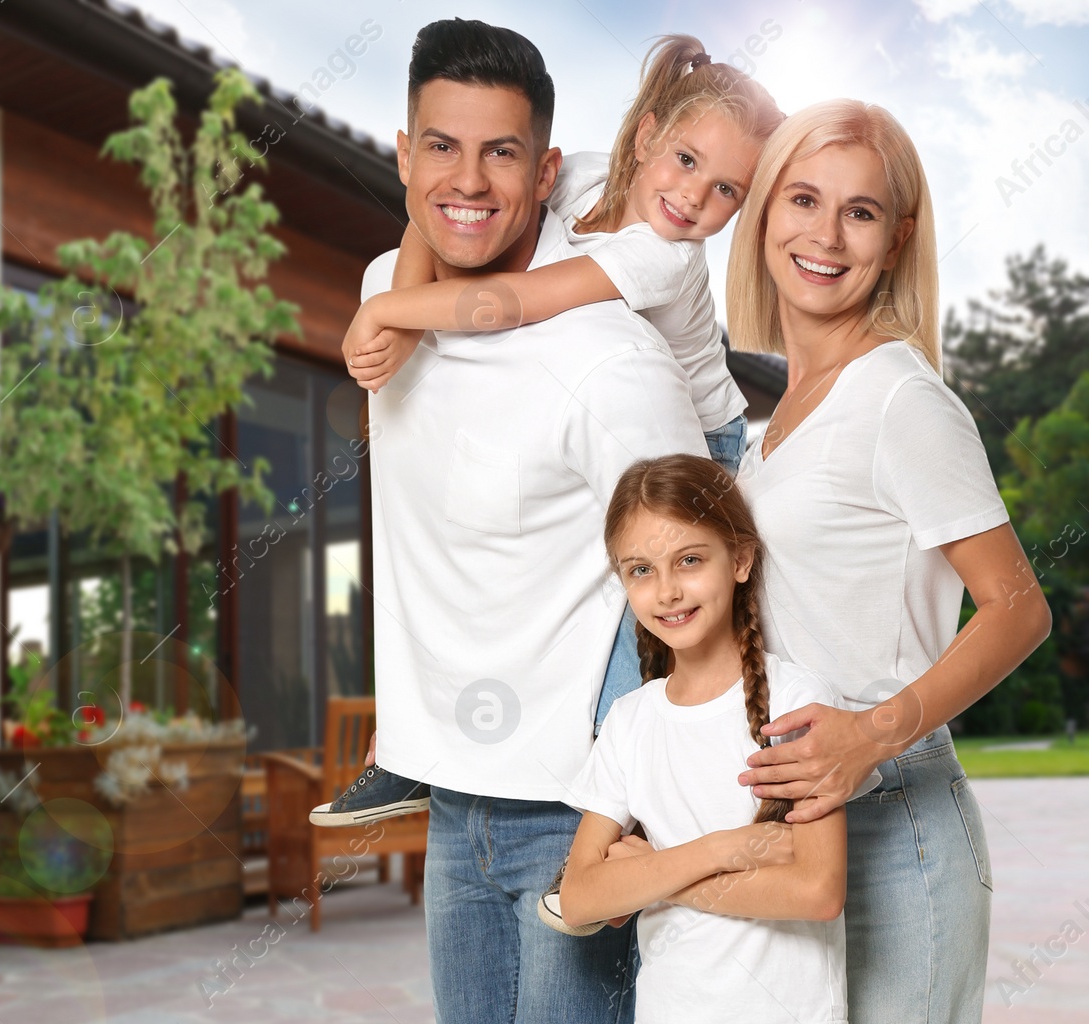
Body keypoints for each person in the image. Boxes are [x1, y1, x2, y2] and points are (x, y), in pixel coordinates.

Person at [317, 34, 783, 828]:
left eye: (727, 192)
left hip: (705, 444)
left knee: (624, 653)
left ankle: (617, 817)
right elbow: (432, 215)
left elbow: (513, 302)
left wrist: (390, 312)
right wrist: (398, 304)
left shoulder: (661, 257)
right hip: (625, 422)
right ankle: (414, 751)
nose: (694, 198)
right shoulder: (575, 175)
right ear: (644, 140)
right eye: (684, 161)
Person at [343, 19, 707, 1022]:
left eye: (500, 151)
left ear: (545, 170)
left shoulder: (606, 357)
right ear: (403, 153)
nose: (468, 180)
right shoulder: (386, 287)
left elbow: (704, 582)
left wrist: (641, 802)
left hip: (576, 807)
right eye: (440, 146)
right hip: (454, 801)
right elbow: (435, 227)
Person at [724, 100, 1052, 1023]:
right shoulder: (775, 424)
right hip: (805, 829)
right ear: (763, 219)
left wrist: (870, 737)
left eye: (859, 212)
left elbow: (1021, 609)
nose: (824, 235)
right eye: (802, 200)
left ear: (897, 238)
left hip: (898, 821)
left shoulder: (902, 399)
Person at [555, 453, 863, 1024]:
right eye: (640, 570)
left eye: (689, 560)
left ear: (740, 559)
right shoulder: (630, 720)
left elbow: (817, 891)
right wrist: (723, 851)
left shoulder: (796, 701)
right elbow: (577, 897)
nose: (667, 591)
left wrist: (652, 877)